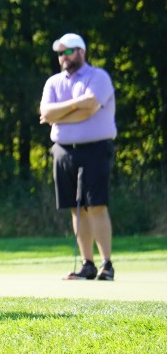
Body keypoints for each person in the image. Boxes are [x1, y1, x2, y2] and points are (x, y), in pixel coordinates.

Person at [39, 33, 116, 281]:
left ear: (81, 52)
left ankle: (106, 264)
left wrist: (59, 115)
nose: (63, 56)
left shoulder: (99, 77)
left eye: (68, 51)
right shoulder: (53, 82)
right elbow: (46, 112)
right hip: (63, 150)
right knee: (76, 208)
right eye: (60, 53)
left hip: (95, 148)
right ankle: (87, 264)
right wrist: (75, 105)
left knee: (97, 205)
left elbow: (90, 108)